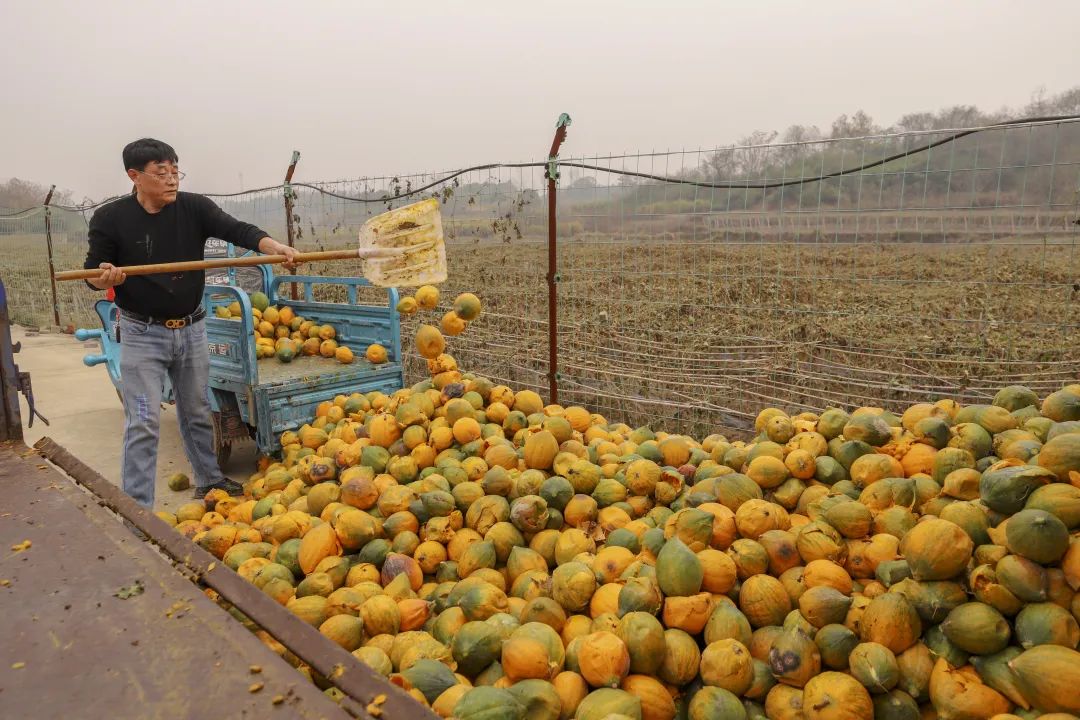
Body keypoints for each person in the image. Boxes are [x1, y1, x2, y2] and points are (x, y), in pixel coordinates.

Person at [84, 138, 299, 508]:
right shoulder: (111, 218)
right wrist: (103, 278)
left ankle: (210, 480)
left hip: (192, 327)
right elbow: (92, 271)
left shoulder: (194, 208)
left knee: (197, 409)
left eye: (175, 170)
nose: (171, 179)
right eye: (161, 172)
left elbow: (239, 230)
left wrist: (274, 247)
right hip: (141, 333)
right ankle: (138, 509)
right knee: (144, 420)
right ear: (134, 176)